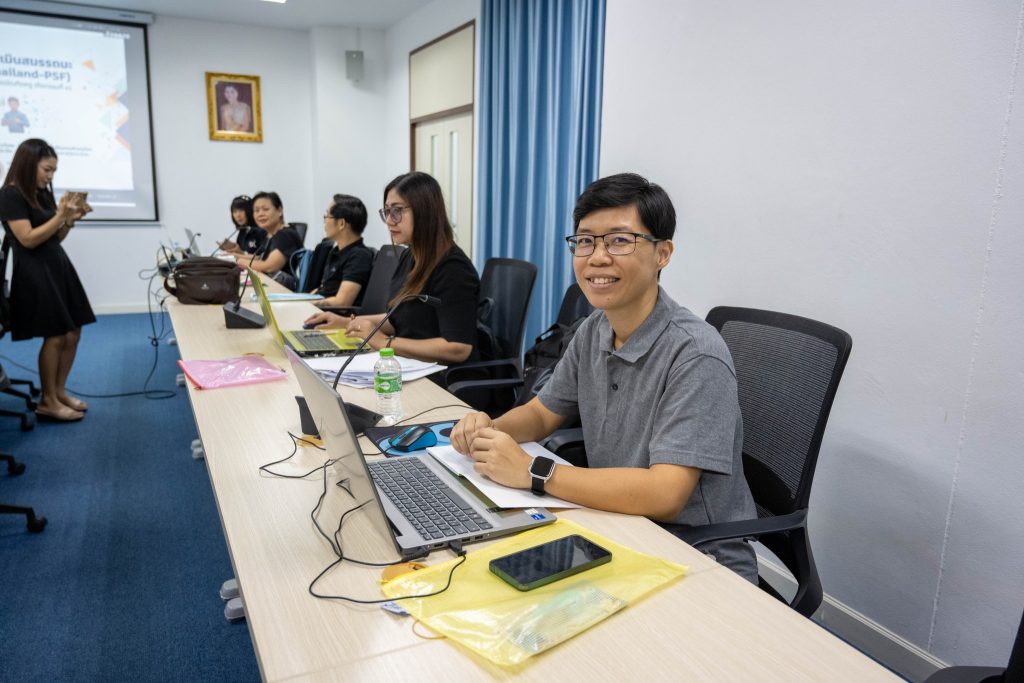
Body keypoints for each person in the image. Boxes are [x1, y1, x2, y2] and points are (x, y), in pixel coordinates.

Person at [449, 173, 759, 582]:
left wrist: (534, 471)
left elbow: (665, 494)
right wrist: (489, 430)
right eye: (585, 241)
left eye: (619, 240)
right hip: (614, 526)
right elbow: (542, 413)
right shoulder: (594, 329)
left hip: (696, 553)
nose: (596, 257)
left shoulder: (695, 353)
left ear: (663, 253)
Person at [303, 172, 479, 365]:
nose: (389, 221)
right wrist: (347, 322)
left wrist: (385, 342)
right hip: (411, 364)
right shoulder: (409, 256)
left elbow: (458, 348)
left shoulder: (453, 268)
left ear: (425, 211)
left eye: (397, 211)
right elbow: (398, 320)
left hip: (440, 375)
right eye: (386, 212)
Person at [0, 138, 94, 421]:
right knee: (55, 334)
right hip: (34, 271)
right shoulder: (10, 195)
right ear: (29, 164)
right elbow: (28, 239)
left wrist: (69, 220)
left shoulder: (40, 193)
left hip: (57, 265)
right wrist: (60, 215)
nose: (50, 176)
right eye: (47, 169)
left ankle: (59, 392)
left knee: (73, 330)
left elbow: (55, 236)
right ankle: (47, 401)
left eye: (54, 170)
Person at [311, 193, 373, 308]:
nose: (325, 221)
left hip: (331, 315)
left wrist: (305, 304)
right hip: (318, 309)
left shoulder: (359, 256)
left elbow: (342, 303)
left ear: (341, 223)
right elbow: (324, 289)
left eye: (327, 216)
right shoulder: (335, 251)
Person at [234, 191, 302, 274]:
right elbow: (260, 258)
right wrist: (234, 256)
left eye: (265, 209)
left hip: (279, 282)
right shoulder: (271, 235)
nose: (260, 214)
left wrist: (240, 261)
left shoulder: (285, 235)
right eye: (256, 210)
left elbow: (269, 266)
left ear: (279, 210)